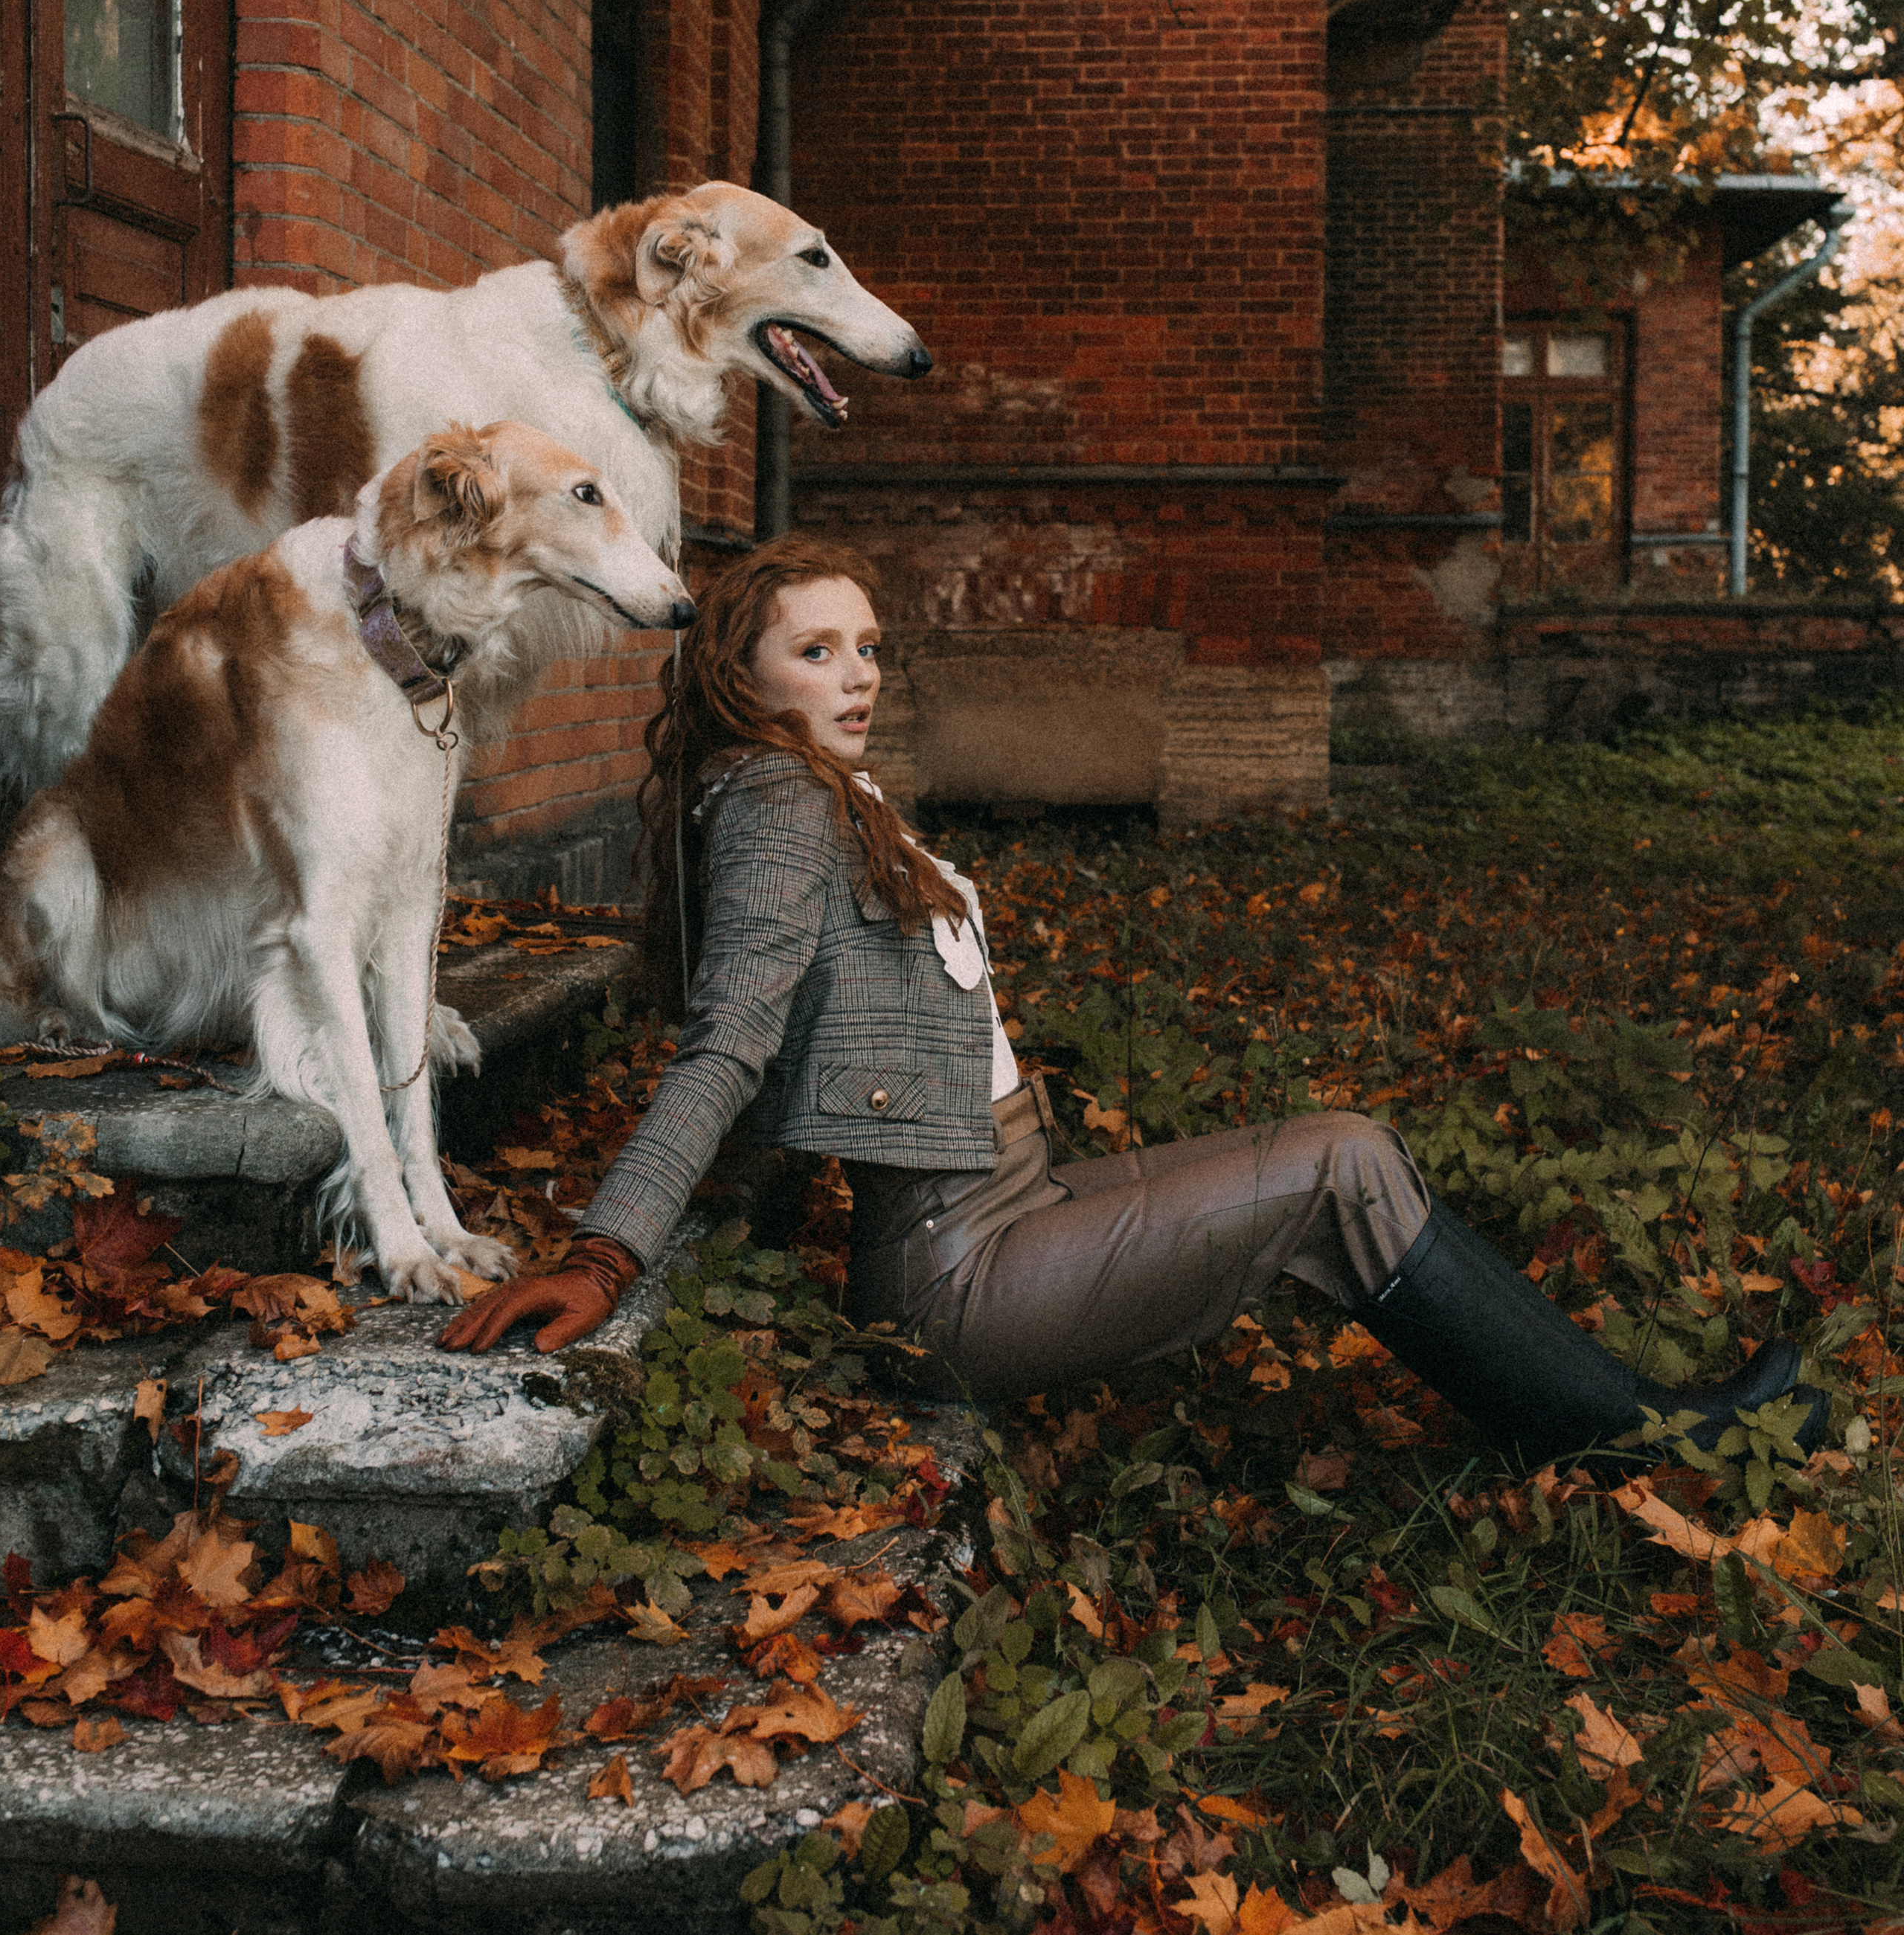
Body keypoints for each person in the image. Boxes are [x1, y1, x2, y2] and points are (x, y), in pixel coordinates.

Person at [440, 540, 1825, 1476]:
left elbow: (793, 1039)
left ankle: (1614, 1412)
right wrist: (609, 1257)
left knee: (1346, 1156)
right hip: (956, 1269)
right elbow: (730, 1038)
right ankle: (1638, 1438)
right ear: (742, 680)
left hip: (1006, 1207)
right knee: (1342, 1158)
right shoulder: (776, 808)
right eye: (819, 652)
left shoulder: (815, 792)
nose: (861, 674)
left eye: (868, 646)